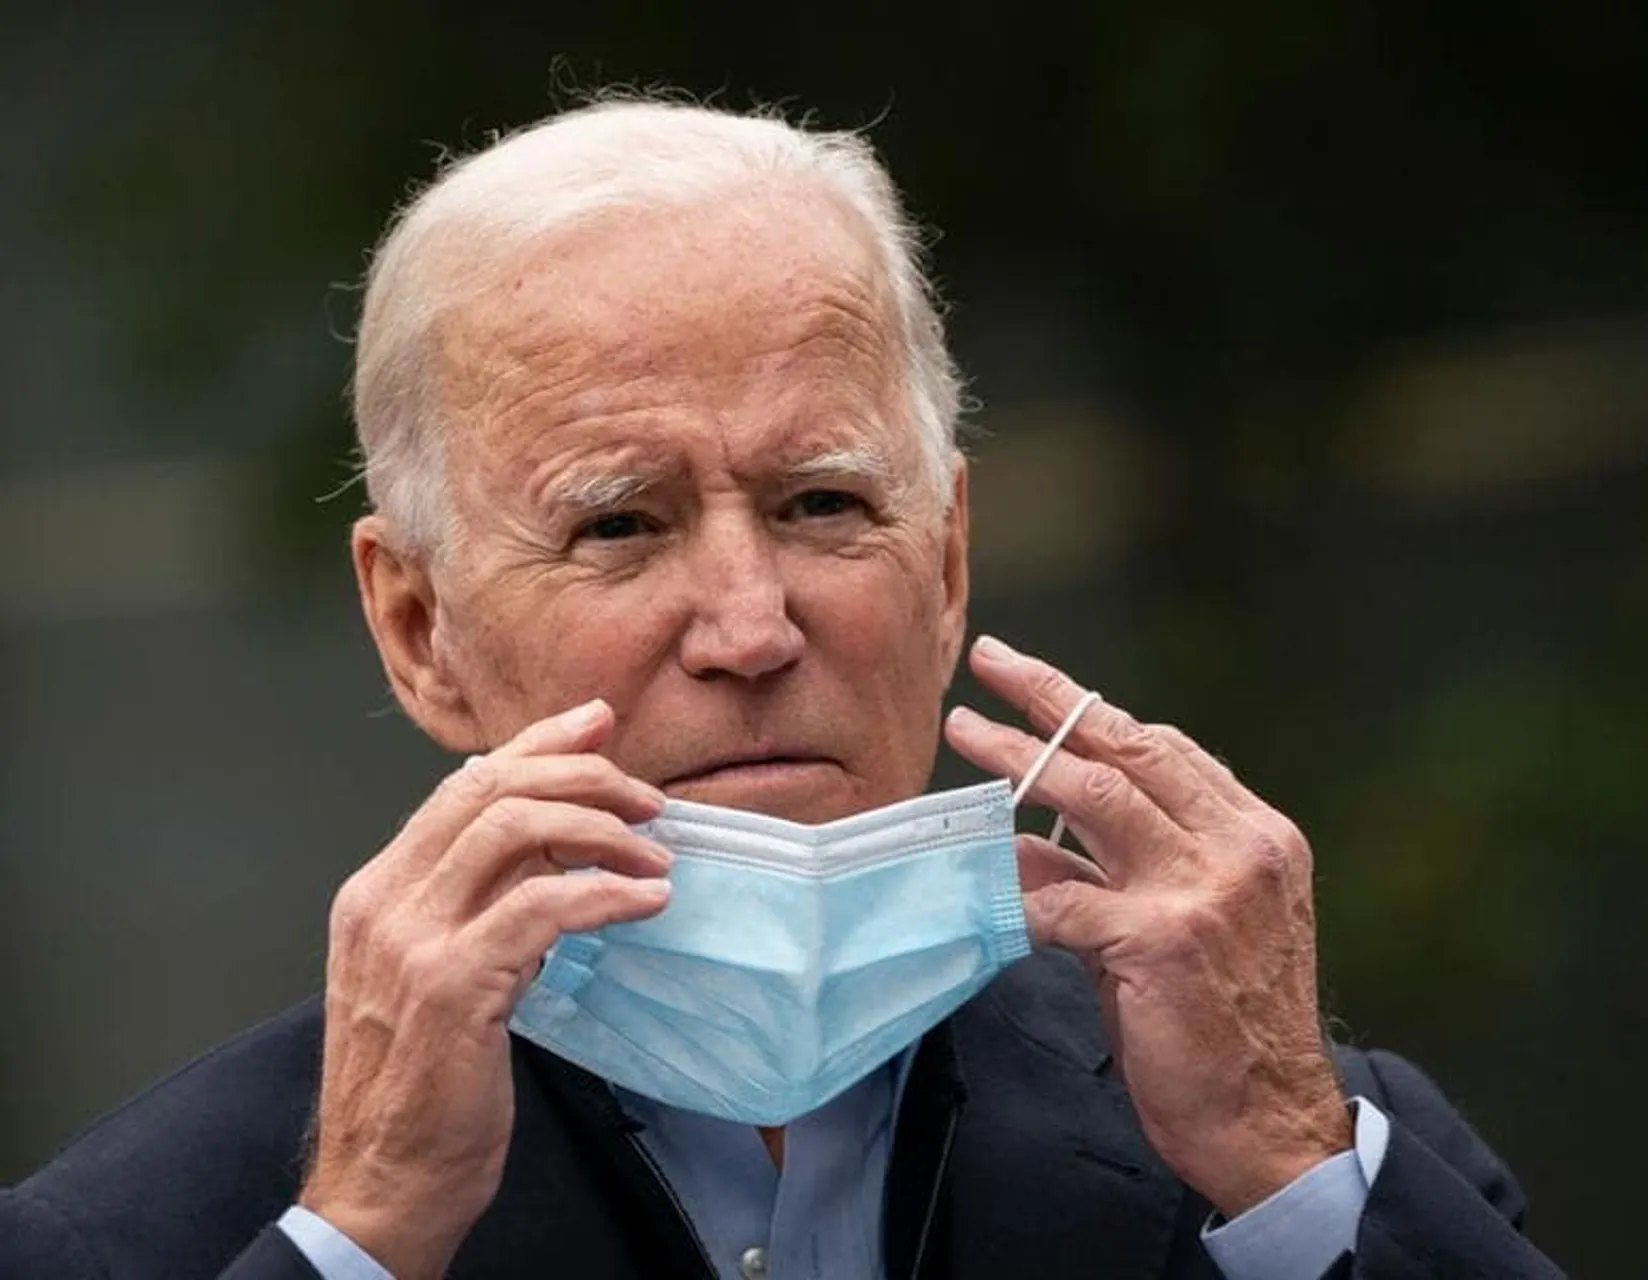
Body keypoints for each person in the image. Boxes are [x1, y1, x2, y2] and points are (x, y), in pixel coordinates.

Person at [0, 98, 1564, 1280]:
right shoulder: (146, 1235)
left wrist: (1283, 1167)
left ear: (946, 561)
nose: (751, 626)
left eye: (824, 505)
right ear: (420, 631)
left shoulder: (1300, 1147)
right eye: (621, 524)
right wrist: (362, 1238)